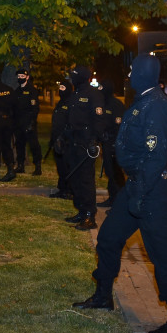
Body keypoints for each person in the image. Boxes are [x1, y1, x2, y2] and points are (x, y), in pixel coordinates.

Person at [74, 54, 167, 333]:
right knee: (109, 237)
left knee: (163, 255)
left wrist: (139, 193)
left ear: (146, 75)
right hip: (137, 186)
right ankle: (103, 296)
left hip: (152, 189)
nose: (130, 75)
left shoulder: (157, 106)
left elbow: (156, 154)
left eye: (134, 71)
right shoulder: (144, 100)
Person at [62, 65, 105, 230]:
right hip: (73, 142)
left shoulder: (94, 95)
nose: (72, 79)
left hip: (86, 144)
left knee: (86, 180)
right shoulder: (75, 94)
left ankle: (89, 216)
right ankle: (81, 210)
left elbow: (99, 119)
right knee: (75, 179)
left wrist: (95, 140)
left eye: (74, 76)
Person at [97, 79, 126, 207]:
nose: (100, 90)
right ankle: (112, 199)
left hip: (115, 144)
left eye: (102, 88)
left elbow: (119, 126)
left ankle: (119, 203)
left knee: (115, 174)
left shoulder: (116, 105)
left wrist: (113, 140)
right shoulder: (102, 103)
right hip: (106, 143)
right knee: (109, 172)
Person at [13, 68, 42, 175]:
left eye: (22, 76)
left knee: (34, 145)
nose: (20, 78)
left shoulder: (32, 90)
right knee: (20, 144)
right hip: (19, 123)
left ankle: (38, 167)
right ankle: (20, 165)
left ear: (27, 77)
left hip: (29, 123)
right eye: (19, 76)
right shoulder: (17, 91)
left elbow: (35, 108)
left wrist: (31, 122)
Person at [49, 81, 73, 199]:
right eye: (60, 87)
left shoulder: (71, 103)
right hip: (57, 139)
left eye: (63, 87)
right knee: (60, 166)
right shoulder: (60, 103)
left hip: (66, 141)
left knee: (67, 166)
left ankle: (68, 190)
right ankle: (62, 188)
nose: (61, 90)